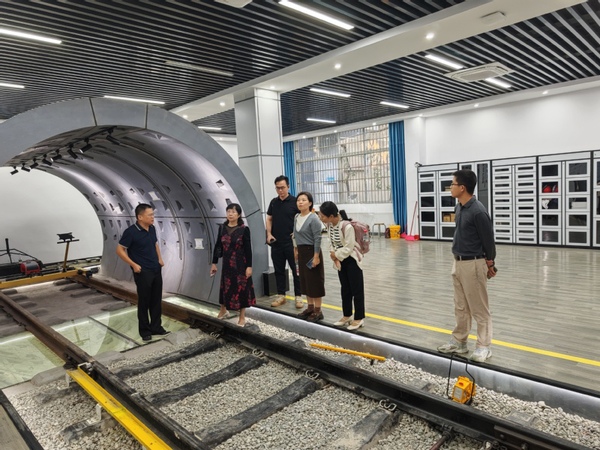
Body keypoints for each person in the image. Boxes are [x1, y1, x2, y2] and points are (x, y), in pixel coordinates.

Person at [437, 169, 497, 363]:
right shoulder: (460, 207)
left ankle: (483, 346)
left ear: (462, 188)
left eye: (452, 184)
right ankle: (459, 341)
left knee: (479, 308)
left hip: (474, 264)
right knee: (461, 306)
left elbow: (488, 240)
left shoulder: (478, 211)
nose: (450, 188)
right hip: (458, 262)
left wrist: (490, 262)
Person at [116, 203, 168, 341]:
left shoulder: (152, 228)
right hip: (143, 271)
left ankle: (156, 327)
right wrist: (133, 264)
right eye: (150, 215)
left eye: (153, 214)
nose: (153, 217)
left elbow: (155, 244)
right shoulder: (130, 232)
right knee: (144, 301)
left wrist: (160, 259)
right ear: (140, 217)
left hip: (155, 268)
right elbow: (119, 250)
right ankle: (145, 331)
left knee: (156, 300)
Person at [319, 201, 365, 331]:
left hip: (351, 260)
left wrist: (336, 255)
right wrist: (333, 255)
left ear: (331, 216)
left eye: (322, 216)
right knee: (345, 289)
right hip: (340, 260)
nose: (321, 218)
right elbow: (331, 242)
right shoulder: (329, 226)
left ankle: (359, 318)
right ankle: (347, 315)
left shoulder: (347, 226)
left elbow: (349, 247)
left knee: (357, 290)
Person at [210, 203, 256, 327]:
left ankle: (242, 316)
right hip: (227, 264)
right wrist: (214, 263)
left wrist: (249, 266)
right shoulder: (222, 228)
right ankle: (223, 310)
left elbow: (248, 249)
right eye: (228, 211)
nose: (230, 214)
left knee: (241, 289)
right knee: (225, 287)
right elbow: (218, 246)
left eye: (233, 212)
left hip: (241, 264)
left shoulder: (244, 229)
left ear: (239, 215)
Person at [266, 175, 302, 308]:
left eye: (282, 187)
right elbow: (269, 218)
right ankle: (281, 295)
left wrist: (297, 233)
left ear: (288, 187)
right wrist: (269, 234)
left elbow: (302, 218)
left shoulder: (295, 202)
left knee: (296, 270)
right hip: (276, 242)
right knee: (279, 270)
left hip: (292, 244)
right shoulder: (273, 202)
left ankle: (299, 296)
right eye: (277, 188)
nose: (280, 190)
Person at [293, 192, 325, 322]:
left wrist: (316, 256)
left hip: (312, 251)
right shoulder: (296, 217)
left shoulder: (313, 218)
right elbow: (295, 234)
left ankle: (318, 310)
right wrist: (295, 249)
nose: (300, 202)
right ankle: (310, 307)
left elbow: (318, 238)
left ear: (310, 203)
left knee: (315, 281)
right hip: (301, 252)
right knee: (305, 281)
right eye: (298, 200)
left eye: (303, 200)